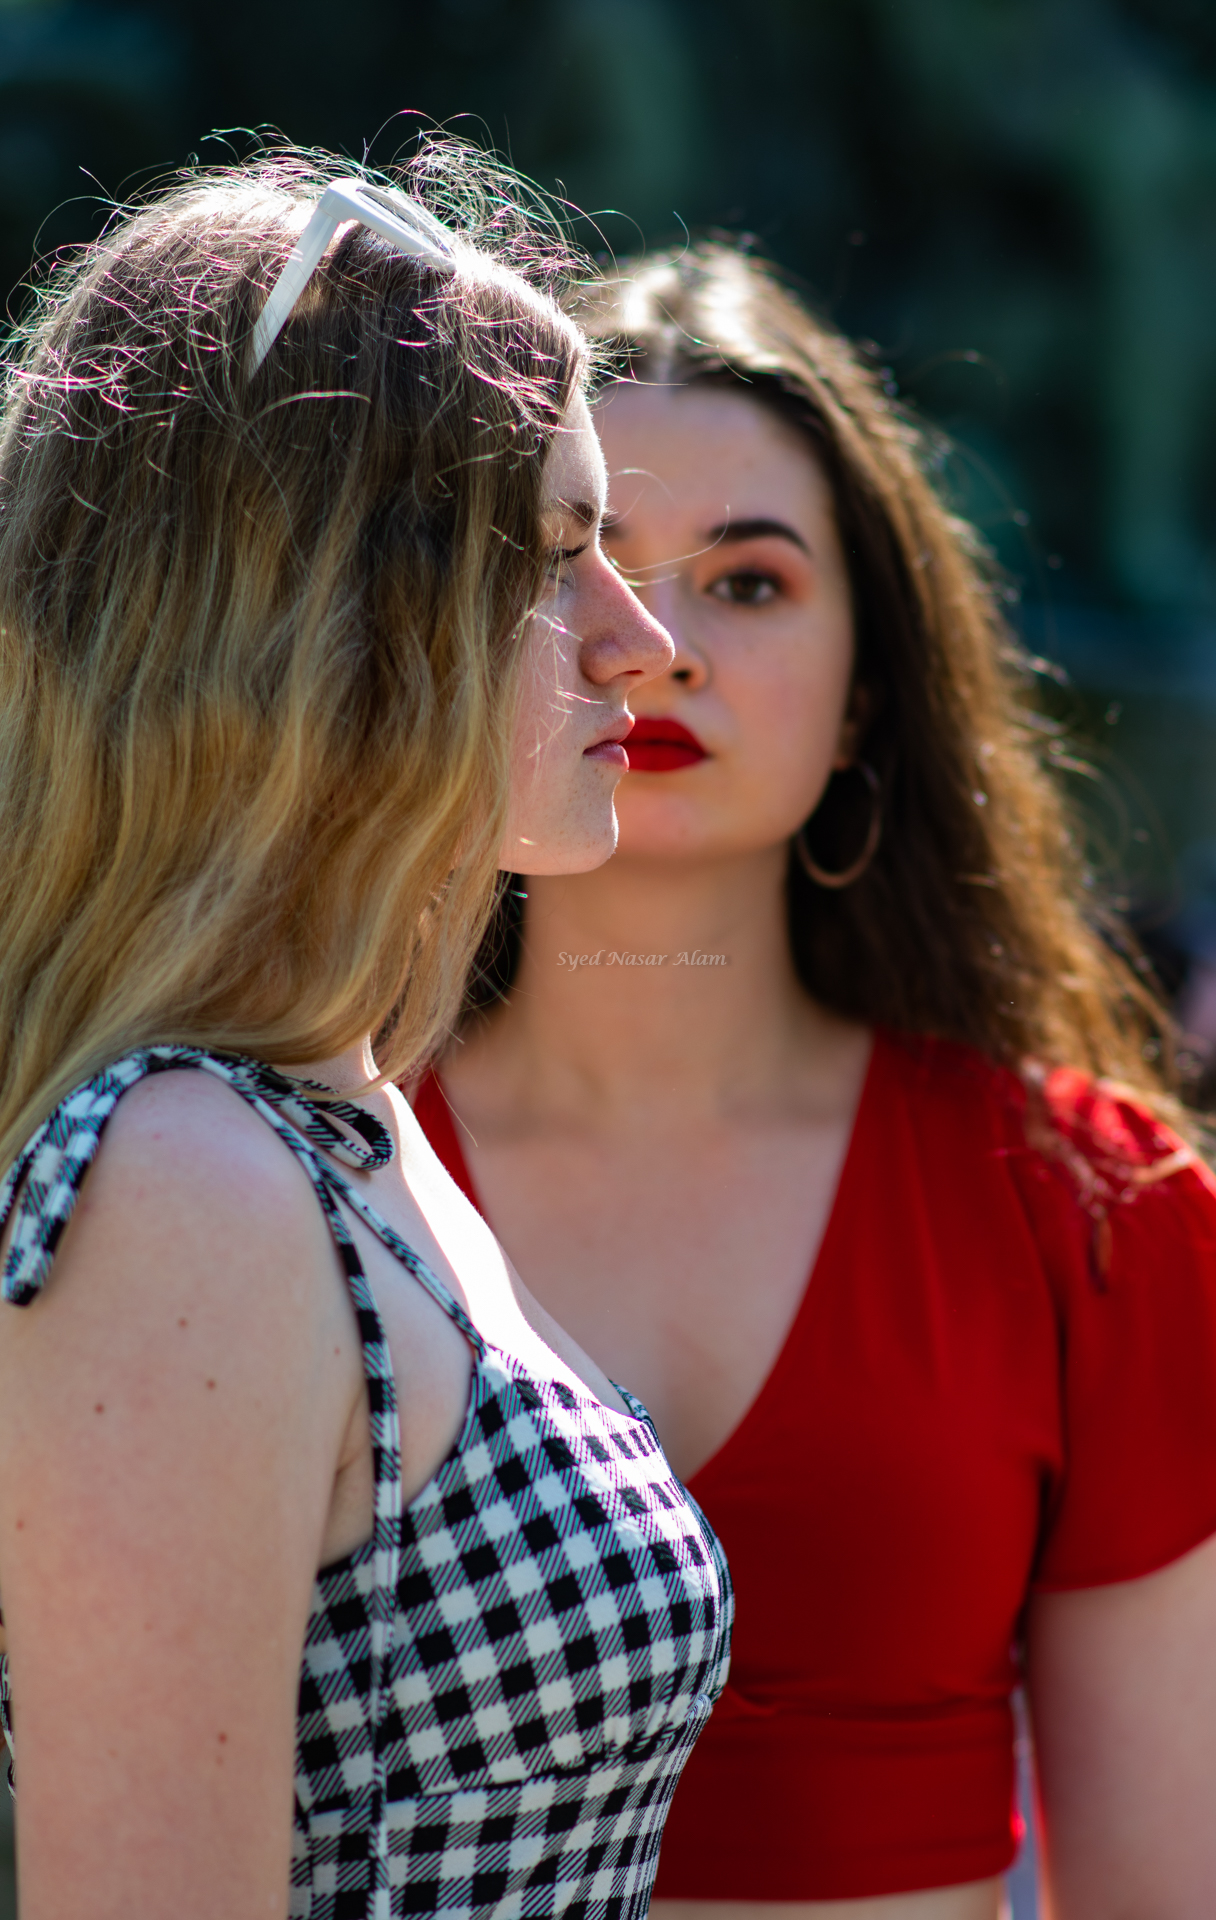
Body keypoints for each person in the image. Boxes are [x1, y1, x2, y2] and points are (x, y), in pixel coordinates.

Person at [414, 242, 1216, 1920]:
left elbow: (1160, 1890)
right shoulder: (272, 1168)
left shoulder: (1093, 1213)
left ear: (870, 688)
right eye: (573, 561)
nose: (652, 644)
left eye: (747, 582)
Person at [0, 154, 734, 1920]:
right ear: (316, 616)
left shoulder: (327, 1119)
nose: (642, 645)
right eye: (560, 557)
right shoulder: (175, 1185)